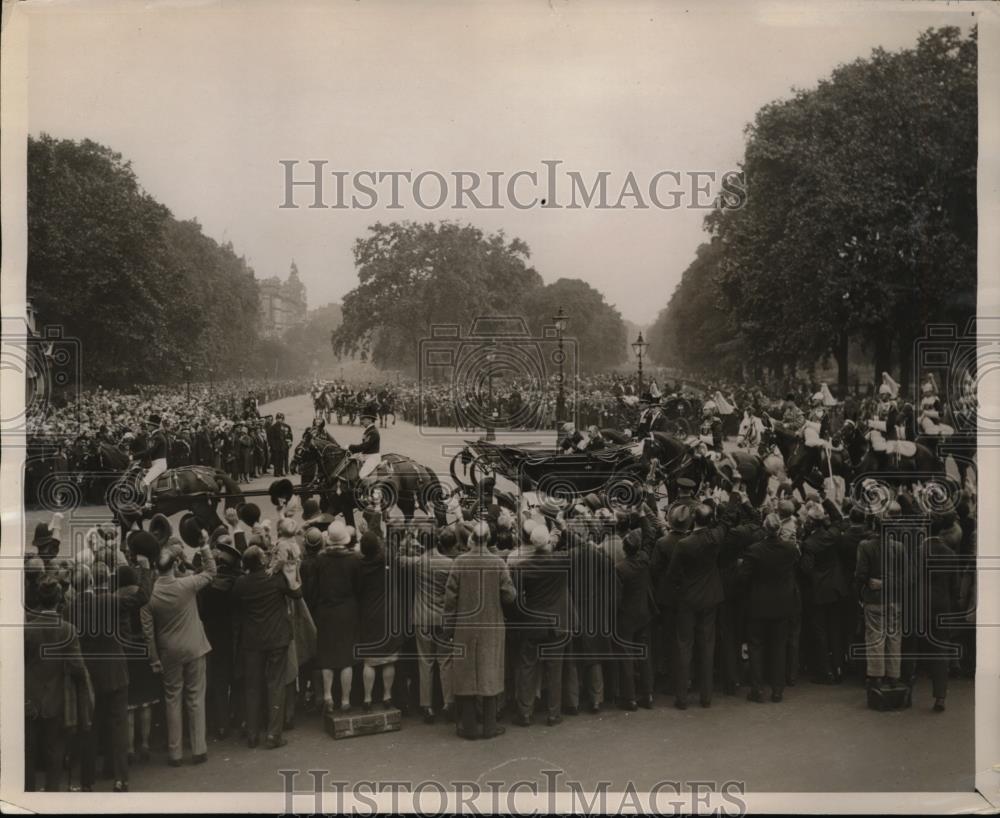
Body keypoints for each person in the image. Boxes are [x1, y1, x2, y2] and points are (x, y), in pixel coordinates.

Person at [144, 539, 217, 767]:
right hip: (194, 646)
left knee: (172, 699)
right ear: (174, 565)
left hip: (169, 651)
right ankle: (199, 749)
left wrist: (154, 658)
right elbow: (211, 571)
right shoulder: (186, 585)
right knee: (195, 697)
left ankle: (175, 752)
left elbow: (148, 633)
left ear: (156, 568)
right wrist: (203, 546)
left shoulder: (150, 595)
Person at [444, 521, 516, 740]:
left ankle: (469, 727)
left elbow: (450, 599)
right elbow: (510, 596)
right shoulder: (498, 563)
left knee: (466, 674)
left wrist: (448, 626)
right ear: (489, 539)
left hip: (464, 626)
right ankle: (489, 726)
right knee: (490, 671)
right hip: (492, 625)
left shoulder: (459, 562)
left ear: (472, 538)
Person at [231, 544, 303, 749]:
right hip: (276, 638)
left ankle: (252, 734)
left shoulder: (241, 583)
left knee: (252, 687)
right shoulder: (275, 579)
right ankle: (273, 735)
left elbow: (236, 607)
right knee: (276, 684)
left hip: (252, 641)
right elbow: (298, 595)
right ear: (262, 561)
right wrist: (290, 574)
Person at [25, 576, 88, 792]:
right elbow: (78, 667)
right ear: (59, 599)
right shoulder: (68, 630)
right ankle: (52, 796)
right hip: (57, 699)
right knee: (55, 754)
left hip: (29, 700)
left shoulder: (27, 629)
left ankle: (28, 796)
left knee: (29, 754)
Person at [664, 503, 728, 709]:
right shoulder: (716, 537)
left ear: (694, 520)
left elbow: (672, 574)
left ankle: (682, 696)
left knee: (684, 646)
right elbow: (723, 522)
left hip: (688, 598)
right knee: (707, 646)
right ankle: (706, 696)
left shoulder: (684, 544)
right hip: (710, 596)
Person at [511, 525, 575, 728]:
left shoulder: (521, 567)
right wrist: (562, 528)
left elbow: (517, 598)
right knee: (554, 670)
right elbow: (580, 544)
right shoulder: (562, 560)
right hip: (558, 623)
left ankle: (525, 712)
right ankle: (553, 713)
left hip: (533, 623)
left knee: (528, 667)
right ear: (548, 542)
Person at [395, 526, 458, 723]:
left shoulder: (421, 561)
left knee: (425, 661)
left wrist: (405, 540)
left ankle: (427, 706)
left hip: (422, 617)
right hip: (442, 618)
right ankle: (448, 703)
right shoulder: (451, 564)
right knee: (445, 661)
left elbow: (399, 559)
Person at [740, 514, 799, 703]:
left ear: (765, 529)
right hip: (782, 604)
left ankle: (757, 689)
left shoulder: (754, 550)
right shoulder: (790, 549)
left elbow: (743, 577)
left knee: (756, 647)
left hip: (758, 604)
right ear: (780, 529)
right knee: (779, 647)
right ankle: (777, 690)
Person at [306, 520, 361, 714]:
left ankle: (328, 695)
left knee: (327, 656)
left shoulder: (320, 560)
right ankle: (345, 699)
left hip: (326, 611)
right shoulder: (354, 559)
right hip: (347, 610)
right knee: (346, 658)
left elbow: (313, 588)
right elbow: (358, 587)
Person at [855, 503, 905, 688]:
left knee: (875, 637)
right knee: (894, 637)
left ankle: (876, 676)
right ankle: (894, 676)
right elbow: (906, 577)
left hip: (874, 599)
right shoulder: (899, 548)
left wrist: (863, 591)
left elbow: (860, 574)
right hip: (894, 599)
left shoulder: (865, 546)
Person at [357, 530, 403, 711]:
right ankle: (387, 696)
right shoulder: (387, 561)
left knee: (369, 660)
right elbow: (390, 549)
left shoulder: (359, 566)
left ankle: (367, 698)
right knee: (389, 659)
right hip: (388, 613)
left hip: (368, 614)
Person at [615, 530, 657, 710]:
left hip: (627, 615)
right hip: (644, 612)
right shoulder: (644, 560)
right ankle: (647, 694)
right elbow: (649, 537)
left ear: (624, 549)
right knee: (644, 655)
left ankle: (630, 697)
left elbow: (617, 596)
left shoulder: (620, 568)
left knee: (626, 657)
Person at [137, 413, 169, 509]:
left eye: (149, 425)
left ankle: (148, 503)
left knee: (145, 482)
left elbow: (149, 451)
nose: (147, 426)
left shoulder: (157, 437)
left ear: (153, 426)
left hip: (159, 464)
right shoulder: (155, 435)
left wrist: (133, 457)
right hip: (156, 463)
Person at [348, 411, 381, 479]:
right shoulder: (369, 430)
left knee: (362, 475)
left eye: (364, 419)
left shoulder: (373, 432)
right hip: (365, 455)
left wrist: (350, 447)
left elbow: (364, 446)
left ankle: (370, 489)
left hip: (372, 457)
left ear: (370, 420)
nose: (362, 421)